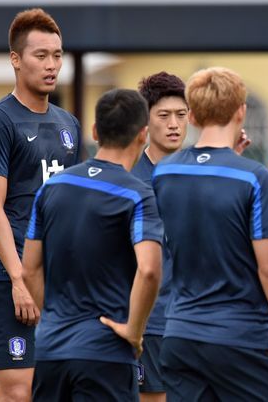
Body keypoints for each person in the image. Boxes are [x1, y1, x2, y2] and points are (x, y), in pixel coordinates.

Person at [153, 66, 268, 401]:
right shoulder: (253, 177)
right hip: (240, 338)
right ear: (241, 112)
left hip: (180, 334)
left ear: (192, 116)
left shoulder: (165, 172)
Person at [0, 8, 83, 400]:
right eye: (41, 55)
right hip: (11, 278)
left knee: (59, 385)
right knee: (18, 390)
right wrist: (19, 280)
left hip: (61, 279)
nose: (51, 65)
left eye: (57, 55)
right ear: (16, 59)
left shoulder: (69, 125)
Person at [22, 88, 163, 401]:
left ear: (95, 131)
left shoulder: (51, 188)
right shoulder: (138, 194)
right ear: (143, 135)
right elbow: (150, 270)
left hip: (50, 351)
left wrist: (56, 322)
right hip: (106, 353)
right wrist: (134, 331)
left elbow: (29, 269)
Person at [132, 71, 188, 402]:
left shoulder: (201, 172)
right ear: (146, 120)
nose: (174, 124)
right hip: (152, 323)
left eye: (181, 115)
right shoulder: (131, 179)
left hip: (196, 322)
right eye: (164, 115)